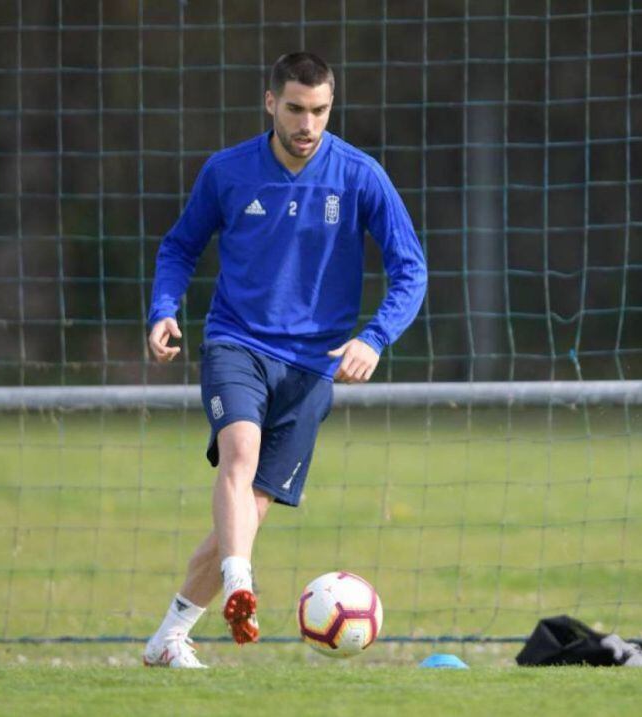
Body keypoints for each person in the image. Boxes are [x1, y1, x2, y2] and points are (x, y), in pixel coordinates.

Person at [141, 52, 427, 668]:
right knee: (239, 454)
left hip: (313, 365)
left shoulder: (359, 175)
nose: (307, 123)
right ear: (270, 102)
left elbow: (412, 268)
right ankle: (241, 586)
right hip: (237, 341)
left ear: (331, 107)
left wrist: (374, 338)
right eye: (295, 108)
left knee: (242, 515)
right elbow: (180, 246)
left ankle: (169, 637)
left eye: (320, 110)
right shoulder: (227, 172)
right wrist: (164, 310)